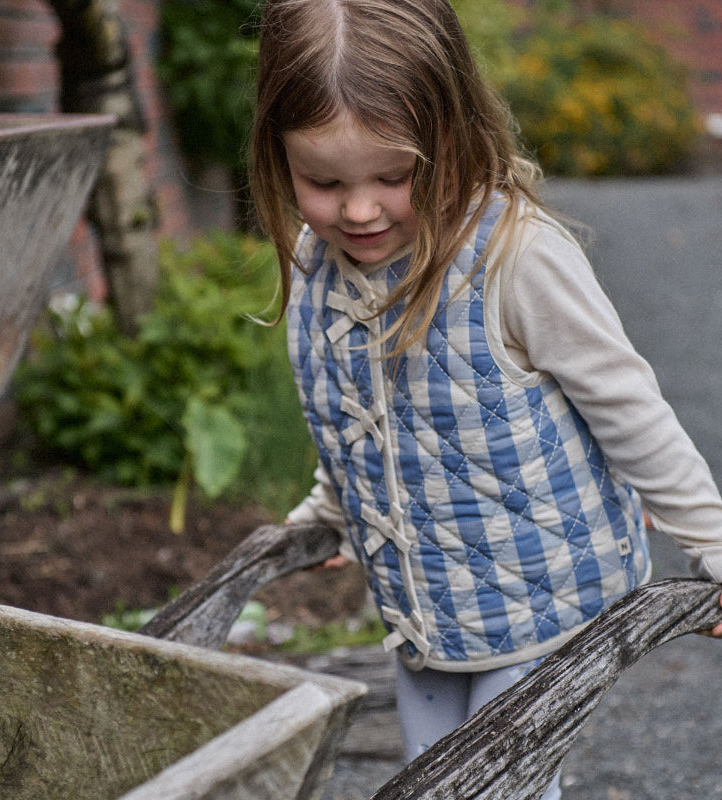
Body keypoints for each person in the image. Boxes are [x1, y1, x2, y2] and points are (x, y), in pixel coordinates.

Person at [248, 0, 722, 795]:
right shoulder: (317, 262)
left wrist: (711, 544)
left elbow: (628, 406)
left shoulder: (517, 257)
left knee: (500, 788)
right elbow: (355, 409)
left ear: (454, 138)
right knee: (432, 780)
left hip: (548, 595)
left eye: (394, 177)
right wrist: (331, 507)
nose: (358, 209)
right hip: (426, 613)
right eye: (323, 181)